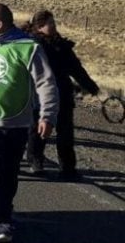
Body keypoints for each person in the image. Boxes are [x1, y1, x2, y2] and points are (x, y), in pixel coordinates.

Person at [0, 3, 58, 243]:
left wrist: (47, 115)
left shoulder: (28, 48)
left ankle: (5, 210)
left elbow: (46, 84)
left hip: (17, 124)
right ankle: (1, 219)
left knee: (8, 173)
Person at [25, 10, 99, 180]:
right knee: (38, 131)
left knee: (66, 133)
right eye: (50, 23)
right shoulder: (32, 46)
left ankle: (68, 168)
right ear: (39, 26)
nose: (54, 25)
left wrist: (91, 87)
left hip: (63, 94)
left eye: (54, 22)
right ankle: (35, 160)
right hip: (40, 95)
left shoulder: (62, 46)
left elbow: (76, 69)